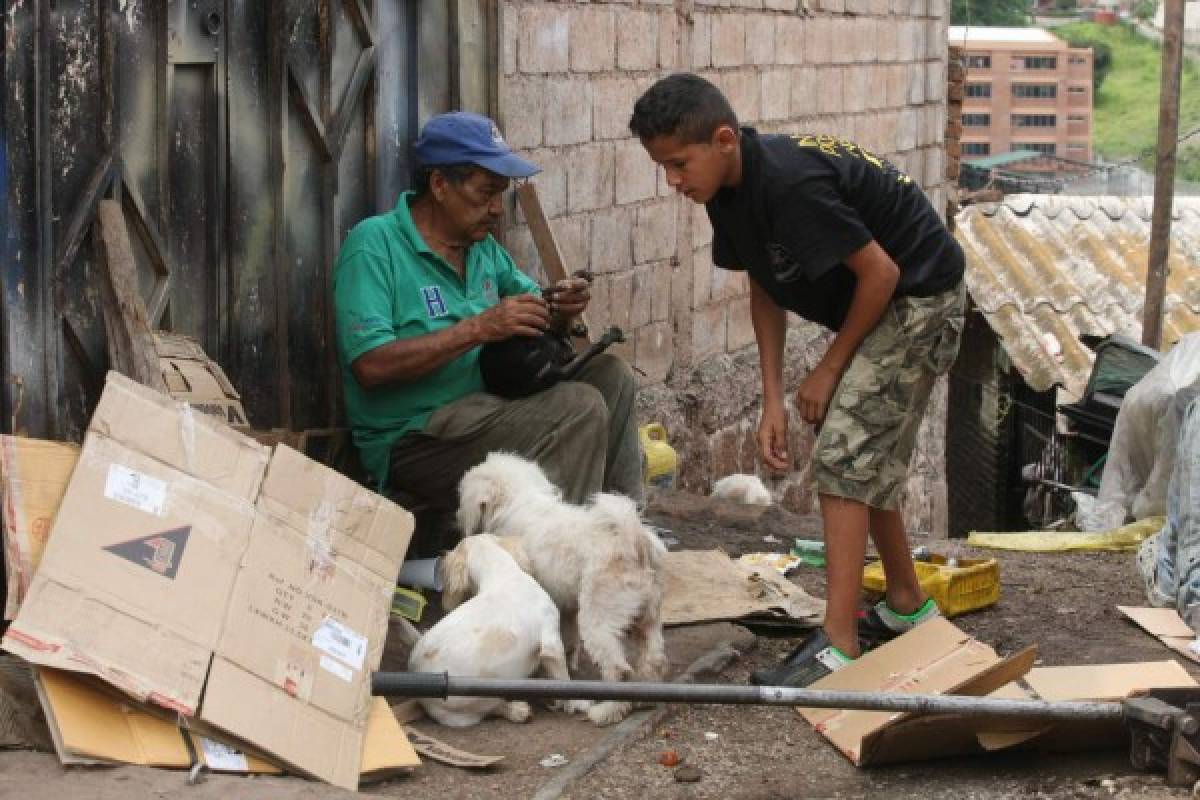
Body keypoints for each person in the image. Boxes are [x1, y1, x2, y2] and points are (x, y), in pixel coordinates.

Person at [630, 74, 966, 686]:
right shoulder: (728, 193)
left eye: (679, 164)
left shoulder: (788, 183)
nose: (673, 182)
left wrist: (829, 366)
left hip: (920, 297)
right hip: (887, 298)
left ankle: (838, 645)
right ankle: (907, 606)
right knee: (868, 453)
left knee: (844, 455)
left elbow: (882, 274)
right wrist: (772, 400)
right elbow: (765, 285)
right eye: (663, 168)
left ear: (724, 139)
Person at [334, 112, 643, 549]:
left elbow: (532, 309)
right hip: (416, 437)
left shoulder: (484, 250)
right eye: (485, 194)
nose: (497, 208)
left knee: (611, 378)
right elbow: (370, 366)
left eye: (501, 194)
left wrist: (558, 309)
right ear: (440, 185)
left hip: (489, 411)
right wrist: (477, 328)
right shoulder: (374, 245)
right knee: (578, 407)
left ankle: (624, 541)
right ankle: (562, 559)